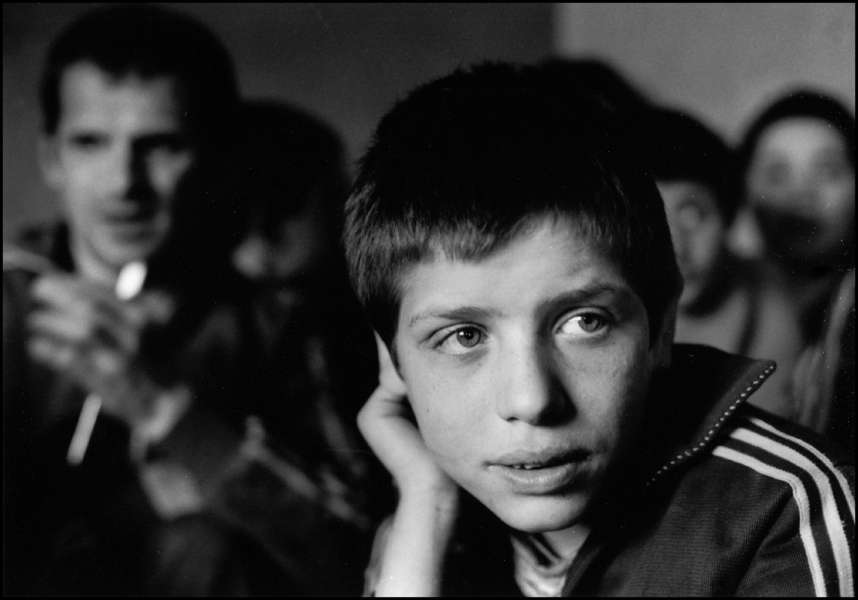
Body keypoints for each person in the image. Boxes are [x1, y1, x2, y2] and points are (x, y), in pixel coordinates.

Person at [342, 63, 855, 596]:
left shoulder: (790, 511)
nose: (532, 400)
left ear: (661, 328)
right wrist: (426, 500)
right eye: (465, 336)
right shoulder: (424, 522)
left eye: (585, 322)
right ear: (393, 359)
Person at [3, 6, 368, 595]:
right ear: (52, 158)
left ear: (215, 158)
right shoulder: (10, 297)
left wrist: (161, 408)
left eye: (161, 145)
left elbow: (361, 559)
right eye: (91, 143)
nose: (124, 183)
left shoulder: (271, 318)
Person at [737, 90, 855, 452]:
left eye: (828, 171)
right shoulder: (727, 301)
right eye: (776, 173)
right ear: (743, 189)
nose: (803, 193)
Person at [637, 107, 762, 353]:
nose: (675, 249)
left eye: (693, 216)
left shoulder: (775, 309)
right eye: (647, 219)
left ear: (727, 219)